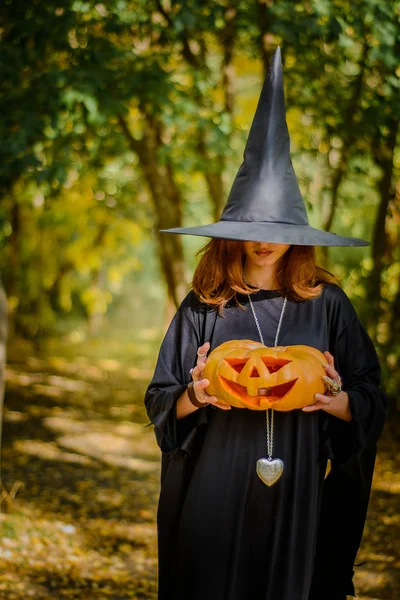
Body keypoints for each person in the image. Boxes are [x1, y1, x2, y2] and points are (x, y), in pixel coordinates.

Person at [145, 49, 387, 600]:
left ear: (298, 233)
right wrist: (195, 395)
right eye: (251, 226)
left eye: (277, 226)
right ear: (230, 231)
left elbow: (373, 396)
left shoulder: (328, 304)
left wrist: (340, 402)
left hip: (300, 485)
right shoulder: (205, 304)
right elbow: (160, 400)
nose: (264, 239)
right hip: (217, 482)